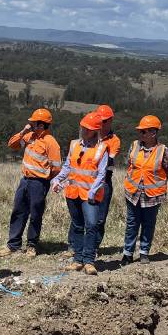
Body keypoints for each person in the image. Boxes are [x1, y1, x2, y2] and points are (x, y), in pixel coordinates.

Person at [52, 112, 110, 275]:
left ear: (95, 130)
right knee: (77, 226)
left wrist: (92, 191)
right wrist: (57, 180)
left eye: (88, 129)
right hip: (73, 193)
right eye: (83, 127)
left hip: (90, 196)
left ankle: (89, 261)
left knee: (91, 225)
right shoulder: (74, 145)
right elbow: (67, 167)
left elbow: (101, 173)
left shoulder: (102, 148)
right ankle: (78, 260)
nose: (84, 130)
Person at [4, 108, 62, 257]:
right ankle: (13, 245)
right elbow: (12, 144)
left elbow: (56, 167)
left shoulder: (51, 142)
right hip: (25, 180)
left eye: (33, 123)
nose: (31, 124)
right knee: (18, 212)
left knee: (35, 214)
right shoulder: (29, 136)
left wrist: (45, 179)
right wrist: (23, 131)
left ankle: (32, 245)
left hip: (39, 183)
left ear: (41, 125)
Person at [121, 115, 168, 265]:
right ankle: (127, 254)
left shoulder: (164, 151)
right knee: (132, 223)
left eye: (144, 132)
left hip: (153, 195)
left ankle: (144, 252)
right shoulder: (134, 146)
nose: (141, 134)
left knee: (148, 224)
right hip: (133, 192)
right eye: (140, 131)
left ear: (153, 133)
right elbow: (128, 164)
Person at [94, 104, 121, 251]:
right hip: (87, 180)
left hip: (104, 181)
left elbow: (107, 161)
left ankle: (94, 247)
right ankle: (75, 246)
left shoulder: (114, 140)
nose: (101, 123)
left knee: (100, 218)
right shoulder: (90, 134)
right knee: (80, 217)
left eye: (104, 121)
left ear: (110, 121)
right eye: (99, 120)